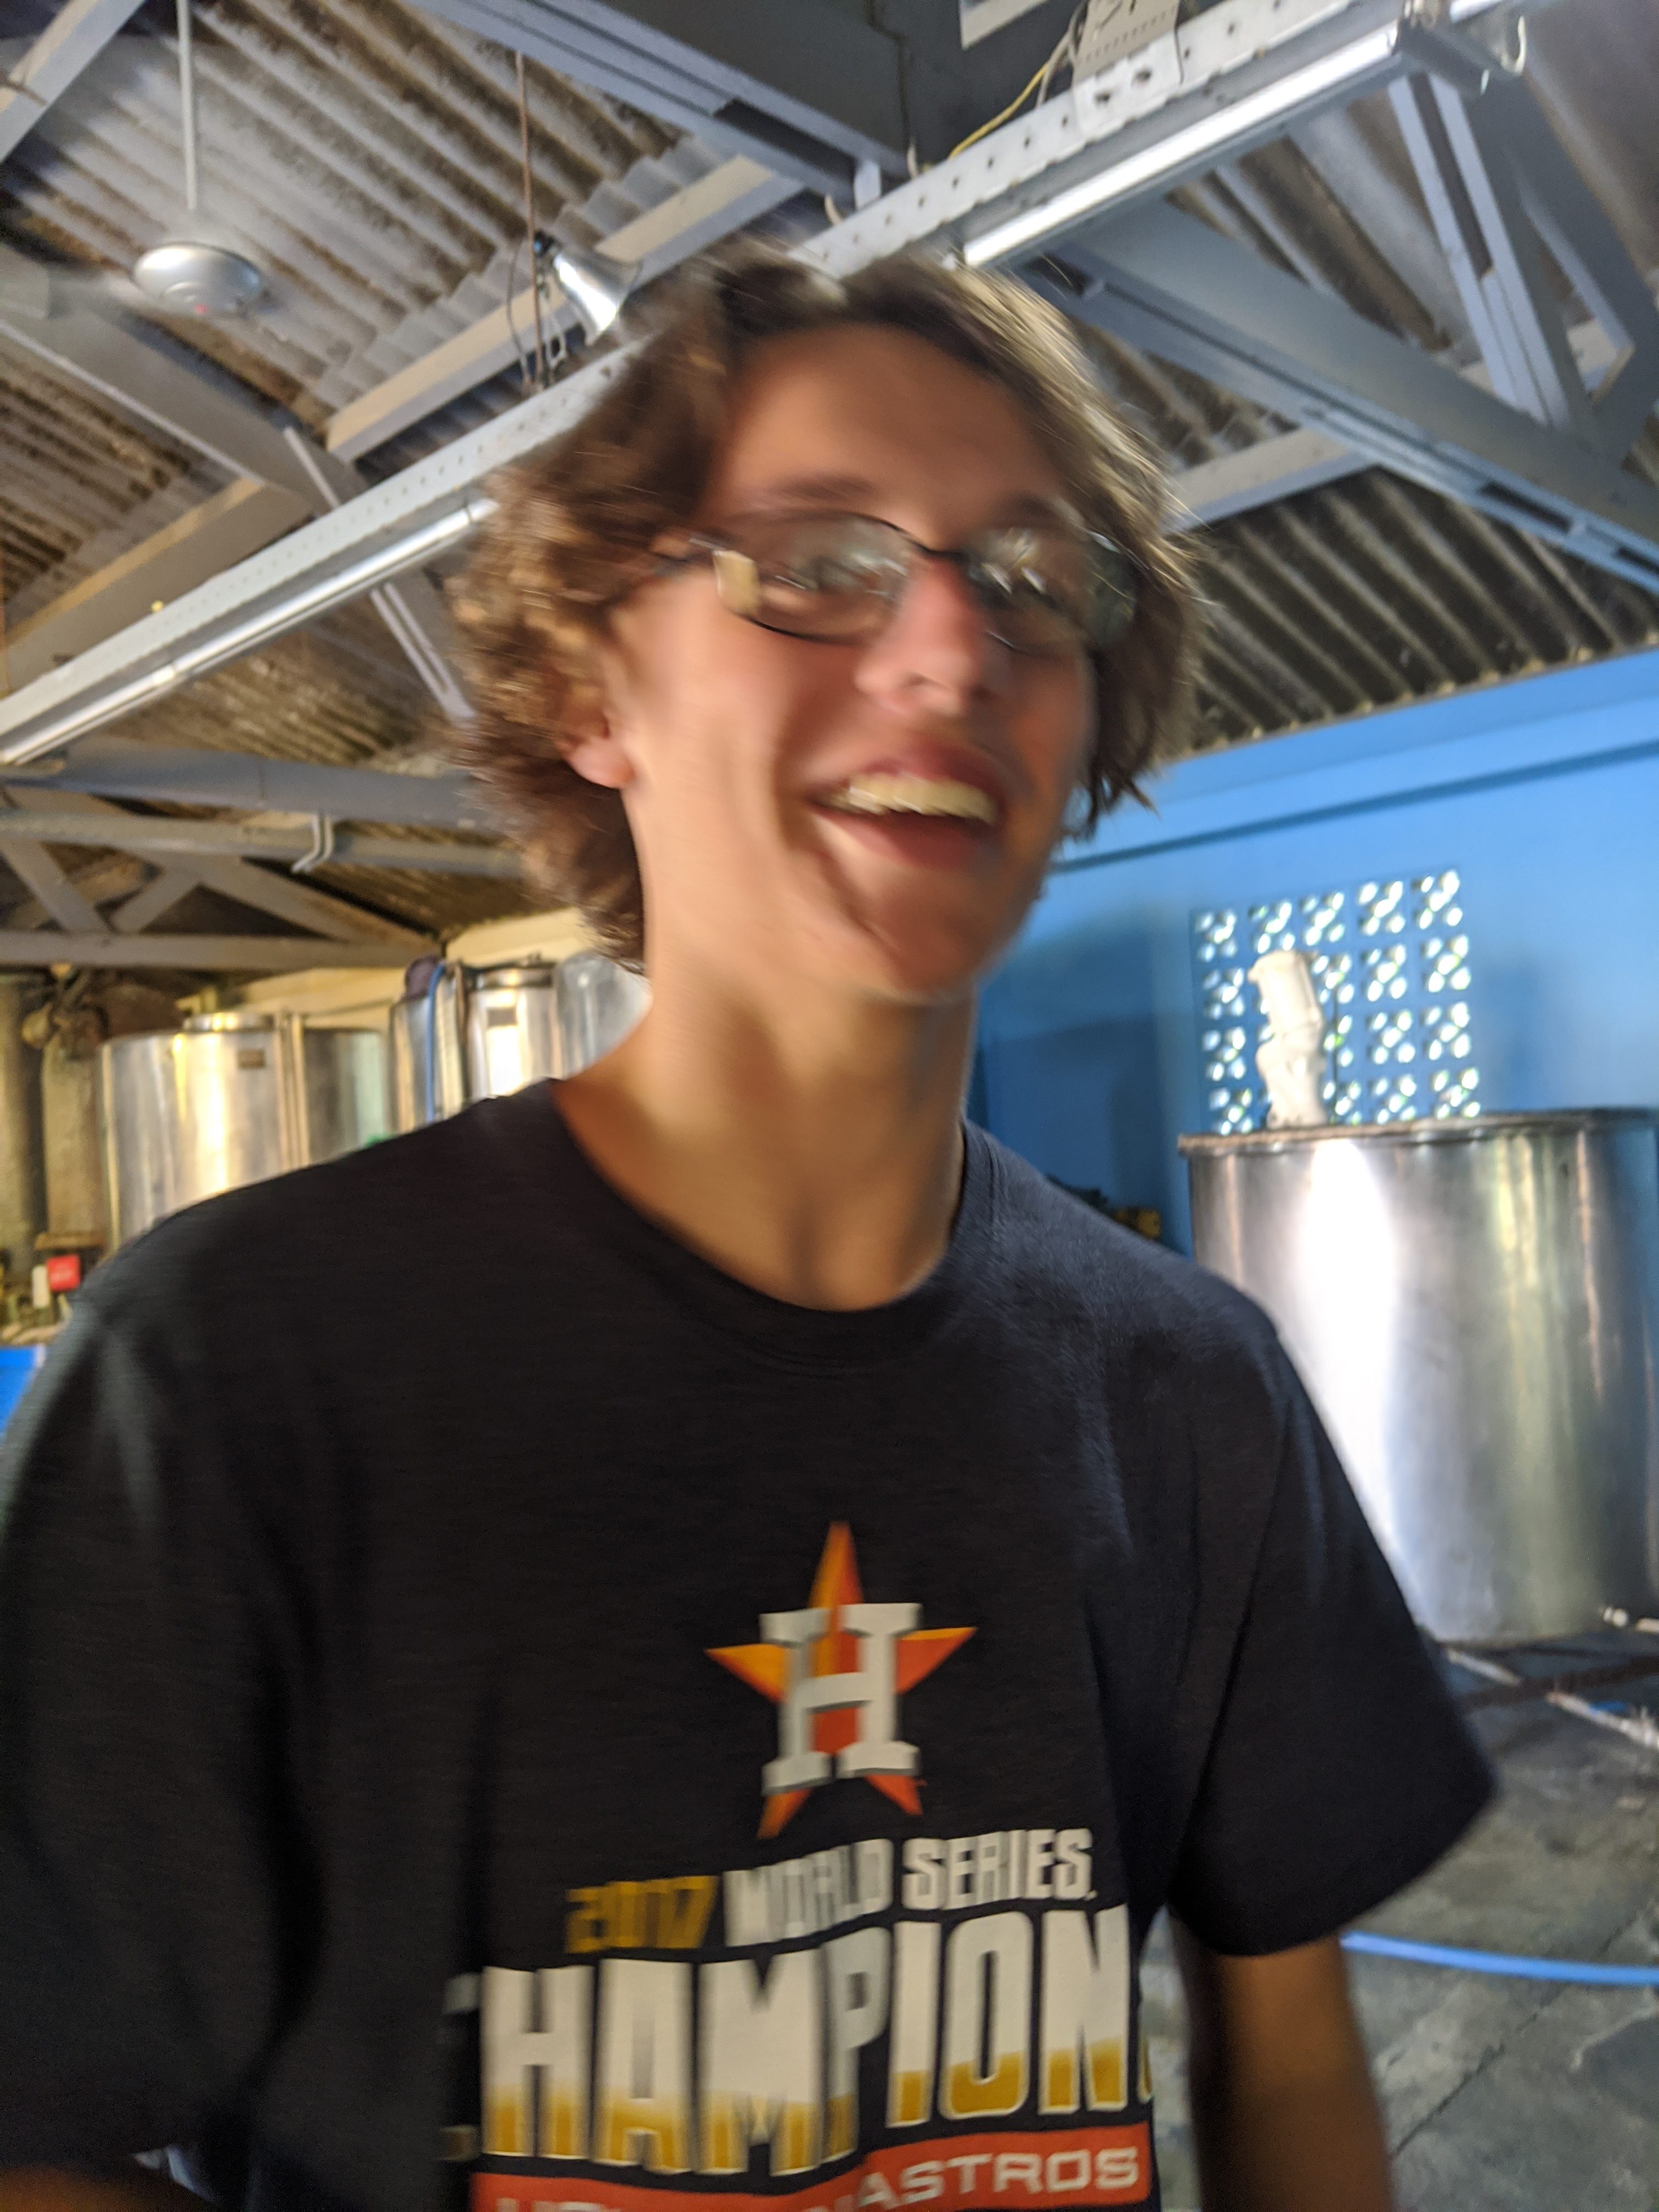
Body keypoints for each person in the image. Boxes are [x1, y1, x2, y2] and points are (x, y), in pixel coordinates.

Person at [0, 247, 1490, 2212]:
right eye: (818, 563)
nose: (955, 650)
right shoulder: (236, 1378)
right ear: (592, 689)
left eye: (1032, 580)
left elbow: (1288, 2057)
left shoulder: (1195, 1391)